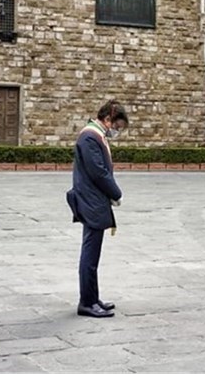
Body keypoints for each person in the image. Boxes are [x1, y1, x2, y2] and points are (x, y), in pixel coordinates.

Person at [66, 100, 128, 318]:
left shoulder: (94, 135)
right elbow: (98, 172)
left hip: (93, 200)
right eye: (117, 126)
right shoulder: (90, 136)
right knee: (90, 254)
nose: (116, 131)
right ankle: (87, 302)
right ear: (108, 119)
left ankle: (93, 297)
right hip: (91, 202)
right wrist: (116, 193)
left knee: (92, 253)